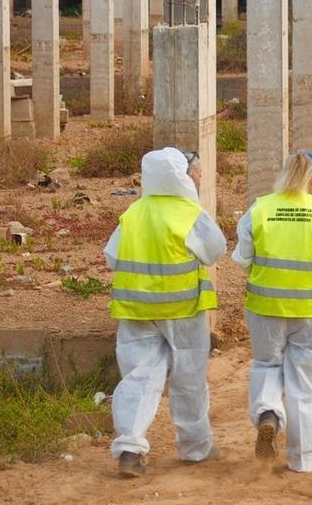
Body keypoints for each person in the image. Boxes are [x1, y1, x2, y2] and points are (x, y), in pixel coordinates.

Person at [105, 147, 226, 478]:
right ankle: (195, 448)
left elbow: (112, 257)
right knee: (189, 379)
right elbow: (216, 249)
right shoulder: (188, 214)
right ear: (183, 178)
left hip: (136, 312)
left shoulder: (133, 213)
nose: (197, 179)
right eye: (195, 174)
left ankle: (130, 448)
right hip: (182, 311)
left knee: (138, 378)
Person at [232, 151, 312, 473]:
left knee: (267, 364)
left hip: (264, 307)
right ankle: (306, 458)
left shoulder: (259, 210)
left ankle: (268, 413)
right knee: (307, 380)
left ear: (283, 173)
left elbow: (242, 259)